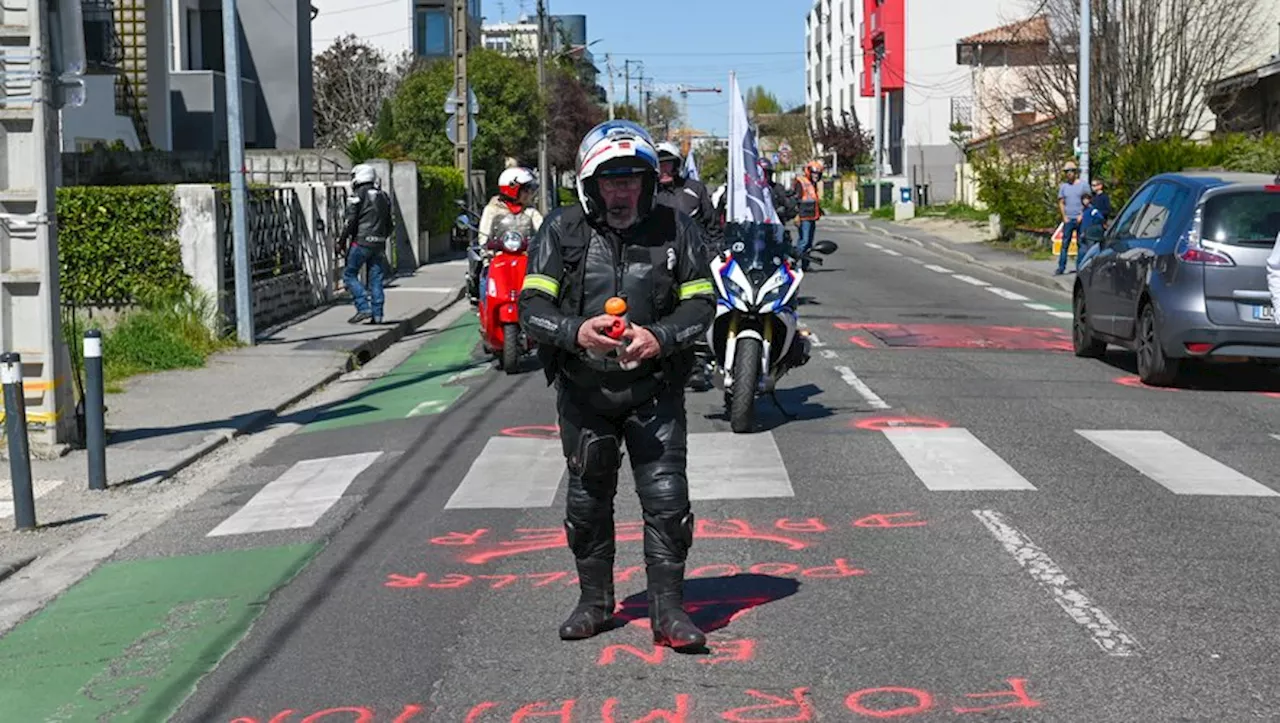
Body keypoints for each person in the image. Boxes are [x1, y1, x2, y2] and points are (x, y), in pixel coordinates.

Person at [518, 120, 716, 649]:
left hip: (655, 392)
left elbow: (703, 303)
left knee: (668, 503)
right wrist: (574, 332)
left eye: (632, 178)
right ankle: (594, 604)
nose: (622, 189)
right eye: (610, 179)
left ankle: (669, 613)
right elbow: (529, 308)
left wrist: (660, 337)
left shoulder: (678, 226)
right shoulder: (560, 229)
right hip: (585, 394)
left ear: (650, 181)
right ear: (590, 183)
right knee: (586, 504)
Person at [469, 166, 543, 305]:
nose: (530, 193)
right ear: (513, 189)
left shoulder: (530, 212)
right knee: (487, 283)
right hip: (497, 259)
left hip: (525, 260)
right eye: (526, 189)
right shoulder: (493, 209)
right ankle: (484, 308)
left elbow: (543, 228)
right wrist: (487, 247)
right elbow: (483, 235)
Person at [339, 164, 393, 324]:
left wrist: (341, 241)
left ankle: (363, 307)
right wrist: (381, 238)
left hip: (361, 242)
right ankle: (378, 315)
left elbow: (350, 222)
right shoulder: (383, 196)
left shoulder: (356, 196)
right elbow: (390, 224)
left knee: (349, 275)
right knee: (376, 279)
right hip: (379, 244)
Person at [654, 141, 718, 241]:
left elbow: (713, 226)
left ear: (676, 165)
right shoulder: (648, 193)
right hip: (662, 251)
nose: (664, 170)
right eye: (659, 165)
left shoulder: (695, 188)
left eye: (667, 164)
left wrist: (713, 250)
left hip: (696, 249)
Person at [1054, 161, 1087, 276]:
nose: (1069, 174)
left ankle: (1080, 267)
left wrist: (1081, 215)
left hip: (1080, 219)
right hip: (1068, 219)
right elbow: (1061, 202)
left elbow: (1087, 201)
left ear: (1075, 172)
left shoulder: (1083, 185)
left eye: (1071, 171)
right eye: (1067, 172)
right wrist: (1064, 217)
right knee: (1065, 244)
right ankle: (1061, 267)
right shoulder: (1064, 187)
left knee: (1081, 243)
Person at [792, 160, 824, 269]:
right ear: (809, 171)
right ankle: (793, 263)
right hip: (803, 216)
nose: (816, 176)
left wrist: (819, 210)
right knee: (804, 241)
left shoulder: (813, 184)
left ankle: (805, 265)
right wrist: (797, 215)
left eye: (818, 174)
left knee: (809, 242)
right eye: (814, 173)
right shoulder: (801, 182)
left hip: (811, 216)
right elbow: (796, 200)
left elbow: (812, 199)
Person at [761, 158, 798, 226]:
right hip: (758, 225)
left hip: (776, 224)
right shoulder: (753, 189)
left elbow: (788, 204)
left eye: (767, 173)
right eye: (762, 173)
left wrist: (782, 210)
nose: (765, 176)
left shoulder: (777, 188)